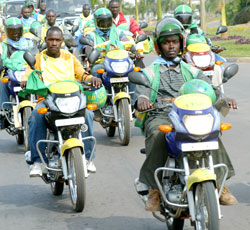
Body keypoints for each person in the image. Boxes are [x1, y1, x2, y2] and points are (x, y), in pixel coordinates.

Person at [134, 17, 237, 212]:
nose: (170, 46)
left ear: (181, 43)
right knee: (157, 133)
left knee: (213, 129)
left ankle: (219, 184)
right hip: (161, 114)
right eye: (166, 42)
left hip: (190, 116)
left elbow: (210, 89)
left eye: (174, 41)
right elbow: (141, 90)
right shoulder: (150, 71)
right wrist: (141, 100)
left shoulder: (191, 70)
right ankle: (154, 189)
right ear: (159, 46)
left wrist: (224, 99)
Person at [20, 26, 102, 176]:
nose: (54, 43)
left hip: (72, 99)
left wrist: (92, 78)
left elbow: (82, 74)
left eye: (57, 40)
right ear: (46, 41)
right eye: (51, 40)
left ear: (62, 41)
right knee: (36, 116)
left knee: (89, 115)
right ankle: (37, 161)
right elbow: (29, 72)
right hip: (48, 100)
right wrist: (25, 80)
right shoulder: (39, 58)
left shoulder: (69, 57)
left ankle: (88, 158)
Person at [0, 17, 33, 128]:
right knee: (2, 83)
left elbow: (34, 54)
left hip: (27, 71)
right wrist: (14, 65)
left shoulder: (28, 42)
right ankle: (4, 113)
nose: (15, 33)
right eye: (12, 31)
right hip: (11, 71)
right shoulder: (4, 45)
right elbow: (3, 59)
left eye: (17, 30)